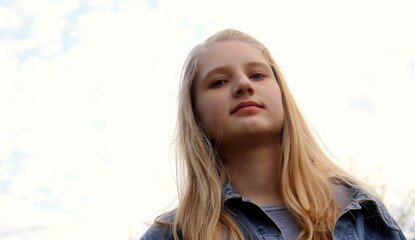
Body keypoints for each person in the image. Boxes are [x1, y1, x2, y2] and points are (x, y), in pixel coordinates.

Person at [140, 29, 406, 240]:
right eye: (219, 81)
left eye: (257, 75)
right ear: (195, 113)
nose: (243, 84)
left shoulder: (360, 212)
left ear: (281, 94)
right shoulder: (171, 234)